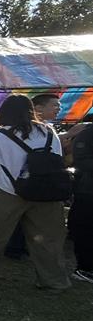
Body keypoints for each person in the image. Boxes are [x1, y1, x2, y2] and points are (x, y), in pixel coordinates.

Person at [0, 95, 71, 289]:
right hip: (47, 192)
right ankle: (54, 281)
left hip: (7, 191)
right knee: (49, 239)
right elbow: (57, 158)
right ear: (31, 110)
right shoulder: (48, 132)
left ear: (3, 113)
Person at [67, 117, 93, 283]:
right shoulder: (87, 133)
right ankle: (85, 268)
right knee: (85, 229)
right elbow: (81, 160)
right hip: (87, 191)